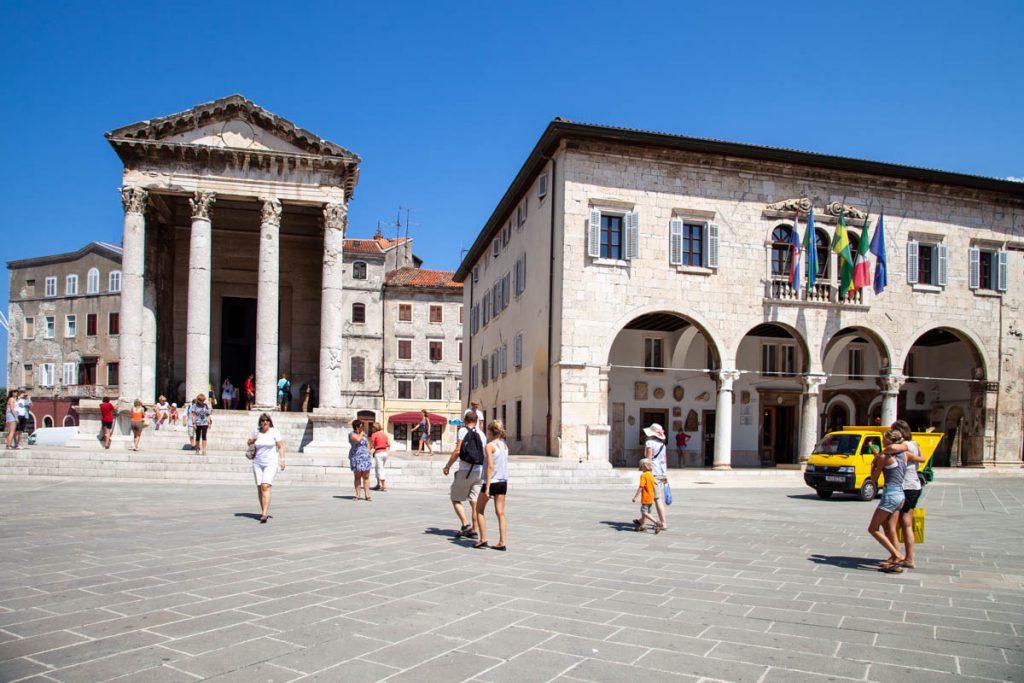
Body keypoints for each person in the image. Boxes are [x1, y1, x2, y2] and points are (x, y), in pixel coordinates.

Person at [868, 428, 908, 573]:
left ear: (889, 441)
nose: (882, 440)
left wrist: (873, 466)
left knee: (873, 528)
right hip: (900, 494)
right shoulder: (904, 455)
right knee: (889, 528)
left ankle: (897, 555)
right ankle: (894, 560)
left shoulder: (885, 457)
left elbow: (874, 479)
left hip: (890, 494)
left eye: (884, 438)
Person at [443, 409, 486, 539]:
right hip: (479, 471)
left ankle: (465, 524)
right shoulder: (482, 435)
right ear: (477, 421)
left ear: (466, 421)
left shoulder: (463, 431)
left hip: (465, 470)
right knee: (474, 501)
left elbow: (457, 450)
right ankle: (474, 529)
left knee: (455, 497)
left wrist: (448, 465)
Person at [889, 419, 925, 570]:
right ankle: (909, 558)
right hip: (915, 486)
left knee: (893, 522)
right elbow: (922, 459)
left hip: (904, 486)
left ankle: (896, 555)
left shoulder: (905, 446)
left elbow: (892, 447)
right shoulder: (915, 444)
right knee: (906, 523)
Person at [474, 420, 509, 550]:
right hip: (503, 481)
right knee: (500, 512)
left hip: (492, 481)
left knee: (479, 509)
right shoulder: (505, 446)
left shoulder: (489, 446)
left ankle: (483, 539)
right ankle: (502, 542)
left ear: (490, 431)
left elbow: (490, 466)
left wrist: (487, 486)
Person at [247, 413, 285, 523]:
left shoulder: (274, 432)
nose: (265, 422)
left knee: (265, 486)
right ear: (260, 422)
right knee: (260, 487)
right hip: (257, 462)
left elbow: (281, 447)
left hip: (271, 462)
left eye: (267, 420)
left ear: (270, 422)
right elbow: (248, 442)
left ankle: (264, 513)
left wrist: (282, 461)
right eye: (263, 420)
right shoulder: (256, 431)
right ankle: (263, 509)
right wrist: (253, 440)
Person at [644, 423, 669, 532]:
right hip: (661, 473)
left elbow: (648, 459)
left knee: (656, 498)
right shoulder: (663, 445)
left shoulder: (649, 443)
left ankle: (663, 523)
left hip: (653, 473)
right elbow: (664, 460)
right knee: (651, 497)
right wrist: (665, 475)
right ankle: (642, 520)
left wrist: (646, 472)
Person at [632, 458, 660, 533]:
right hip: (651, 497)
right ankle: (643, 526)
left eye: (641, 466)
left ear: (643, 466)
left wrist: (635, 497)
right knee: (647, 512)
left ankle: (657, 522)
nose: (641, 468)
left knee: (644, 511)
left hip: (646, 497)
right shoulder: (651, 475)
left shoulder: (643, 475)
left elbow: (641, 487)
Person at [348, 419, 373, 500]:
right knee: (357, 476)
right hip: (356, 457)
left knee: (366, 476)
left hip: (365, 457)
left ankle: (367, 495)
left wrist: (369, 451)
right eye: (361, 426)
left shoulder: (364, 434)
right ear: (356, 427)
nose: (362, 428)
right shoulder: (351, 434)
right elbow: (358, 440)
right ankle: (357, 495)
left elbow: (367, 443)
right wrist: (361, 434)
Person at [370, 421, 390, 491]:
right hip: (385, 453)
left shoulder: (374, 434)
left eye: (372, 427)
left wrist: (370, 449)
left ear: (375, 428)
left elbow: (371, 444)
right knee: (378, 468)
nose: (372, 428)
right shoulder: (384, 434)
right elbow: (388, 444)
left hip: (378, 453)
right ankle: (378, 484)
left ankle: (384, 486)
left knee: (380, 469)